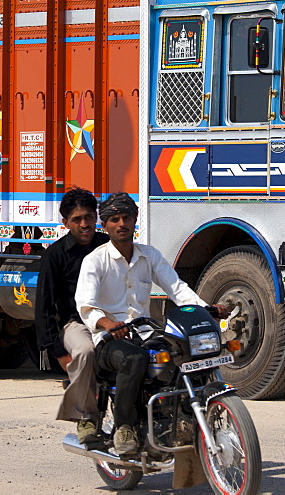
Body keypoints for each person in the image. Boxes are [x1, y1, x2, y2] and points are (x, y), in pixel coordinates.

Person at [75, 192, 224, 456]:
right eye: (115, 219)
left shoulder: (149, 255)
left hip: (145, 332)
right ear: (105, 225)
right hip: (110, 341)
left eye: (126, 218)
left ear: (135, 220)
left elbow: (176, 288)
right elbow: (85, 305)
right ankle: (125, 427)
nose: (121, 224)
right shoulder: (95, 261)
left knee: (183, 353)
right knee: (133, 359)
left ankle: (179, 417)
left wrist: (205, 309)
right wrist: (108, 323)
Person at [34, 188, 109, 449]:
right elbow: (44, 306)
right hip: (74, 323)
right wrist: (58, 352)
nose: (84, 224)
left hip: (110, 319)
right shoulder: (55, 255)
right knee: (86, 352)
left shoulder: (108, 247)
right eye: (76, 219)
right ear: (65, 222)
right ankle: (85, 418)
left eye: (88, 217)